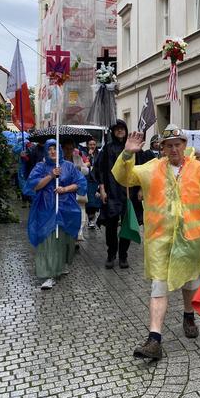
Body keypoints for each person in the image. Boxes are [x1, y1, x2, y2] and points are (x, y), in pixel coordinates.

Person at [112, 124, 200, 360]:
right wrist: (127, 153)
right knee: (159, 287)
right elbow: (124, 178)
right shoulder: (151, 168)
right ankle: (154, 339)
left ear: (185, 145)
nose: (174, 149)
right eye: (168, 145)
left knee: (189, 284)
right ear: (161, 148)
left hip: (191, 240)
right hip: (159, 241)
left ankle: (188, 315)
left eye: (178, 144)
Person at [25, 139, 87, 290]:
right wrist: (51, 176)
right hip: (46, 210)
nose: (52, 152)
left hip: (66, 209)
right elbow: (33, 186)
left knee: (64, 240)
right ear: (46, 151)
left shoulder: (69, 166)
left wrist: (64, 189)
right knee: (48, 241)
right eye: (49, 149)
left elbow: (80, 184)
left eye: (55, 148)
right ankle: (48, 274)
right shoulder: (41, 167)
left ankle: (62, 264)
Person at [95, 120, 131, 269]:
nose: (120, 131)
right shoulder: (107, 149)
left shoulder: (131, 148)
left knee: (127, 226)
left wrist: (140, 189)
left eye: (123, 129)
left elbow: (141, 168)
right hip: (111, 192)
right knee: (111, 226)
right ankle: (111, 254)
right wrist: (102, 189)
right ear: (113, 132)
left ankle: (123, 256)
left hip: (128, 192)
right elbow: (100, 170)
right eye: (117, 129)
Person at [85, 138, 102, 229]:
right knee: (89, 201)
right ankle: (90, 219)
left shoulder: (99, 154)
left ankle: (93, 218)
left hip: (96, 180)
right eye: (90, 144)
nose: (92, 146)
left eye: (94, 144)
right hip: (87, 179)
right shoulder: (84, 153)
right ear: (87, 145)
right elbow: (84, 164)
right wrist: (88, 156)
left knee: (95, 201)